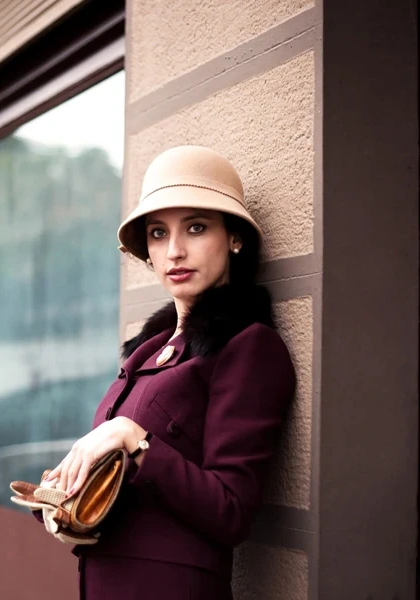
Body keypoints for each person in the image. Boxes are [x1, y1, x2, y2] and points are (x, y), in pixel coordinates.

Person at [39, 145, 296, 599]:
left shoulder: (249, 347)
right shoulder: (149, 353)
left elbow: (232, 510)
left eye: (196, 227)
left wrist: (136, 439)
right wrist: (66, 506)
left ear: (234, 237)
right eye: (158, 234)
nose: (174, 251)